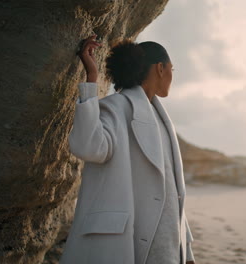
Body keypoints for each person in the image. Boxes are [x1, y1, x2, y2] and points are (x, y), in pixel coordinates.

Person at [59, 34, 196, 264]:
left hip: (167, 245)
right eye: (173, 69)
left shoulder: (163, 119)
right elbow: (89, 146)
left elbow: (173, 191)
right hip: (130, 241)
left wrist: (187, 249)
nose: (173, 75)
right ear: (161, 68)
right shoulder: (115, 107)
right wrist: (91, 80)